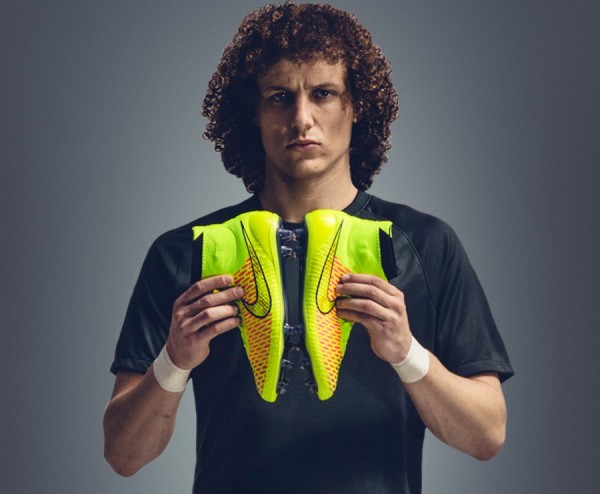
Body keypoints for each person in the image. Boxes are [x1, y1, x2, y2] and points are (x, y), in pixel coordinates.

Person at [103, 3, 513, 493]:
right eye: (280, 97)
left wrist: (408, 354)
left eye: (323, 93)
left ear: (356, 105)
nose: (302, 118)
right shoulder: (186, 252)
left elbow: (487, 434)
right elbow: (123, 455)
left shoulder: (424, 245)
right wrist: (174, 360)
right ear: (253, 113)